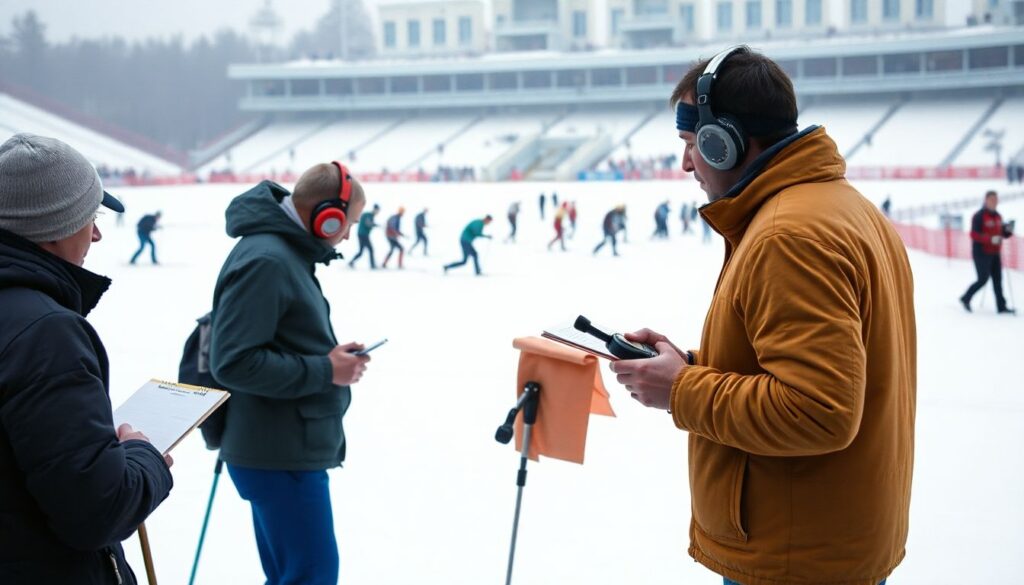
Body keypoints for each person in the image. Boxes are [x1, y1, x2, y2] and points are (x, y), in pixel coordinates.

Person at [608, 46, 915, 585]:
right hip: (825, 538)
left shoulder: (788, 236)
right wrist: (692, 364)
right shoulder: (841, 207)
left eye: (689, 145)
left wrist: (681, 390)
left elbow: (818, 409)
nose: (685, 164)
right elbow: (818, 367)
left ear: (721, 143)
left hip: (794, 557)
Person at [0, 134, 173, 584]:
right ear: (53, 227)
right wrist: (144, 458)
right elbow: (97, 511)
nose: (96, 233)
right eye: (90, 218)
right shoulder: (45, 332)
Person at [209, 162, 372, 585]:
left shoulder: (281, 254)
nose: (349, 235)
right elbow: (234, 361)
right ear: (326, 216)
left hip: (281, 448)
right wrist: (325, 370)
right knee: (310, 577)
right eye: (348, 223)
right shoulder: (269, 260)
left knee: (294, 575)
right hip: (278, 454)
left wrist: (328, 359)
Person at [959, 190, 1015, 314]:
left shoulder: (998, 216)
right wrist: (990, 239)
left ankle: (1001, 306)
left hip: (995, 253)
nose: (994, 202)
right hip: (981, 253)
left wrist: (1008, 230)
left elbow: (1002, 234)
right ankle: (966, 298)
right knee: (983, 279)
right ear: (986, 200)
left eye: (996, 200)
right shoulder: (979, 216)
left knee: (998, 280)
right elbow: (974, 234)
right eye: (992, 200)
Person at [348, 203, 379, 269]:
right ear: (375, 209)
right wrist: (374, 225)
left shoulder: (370, 215)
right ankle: (372, 265)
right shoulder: (368, 215)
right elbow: (367, 224)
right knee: (370, 249)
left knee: (361, 251)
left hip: (362, 234)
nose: (377, 212)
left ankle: (351, 262)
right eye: (377, 210)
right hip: (363, 235)